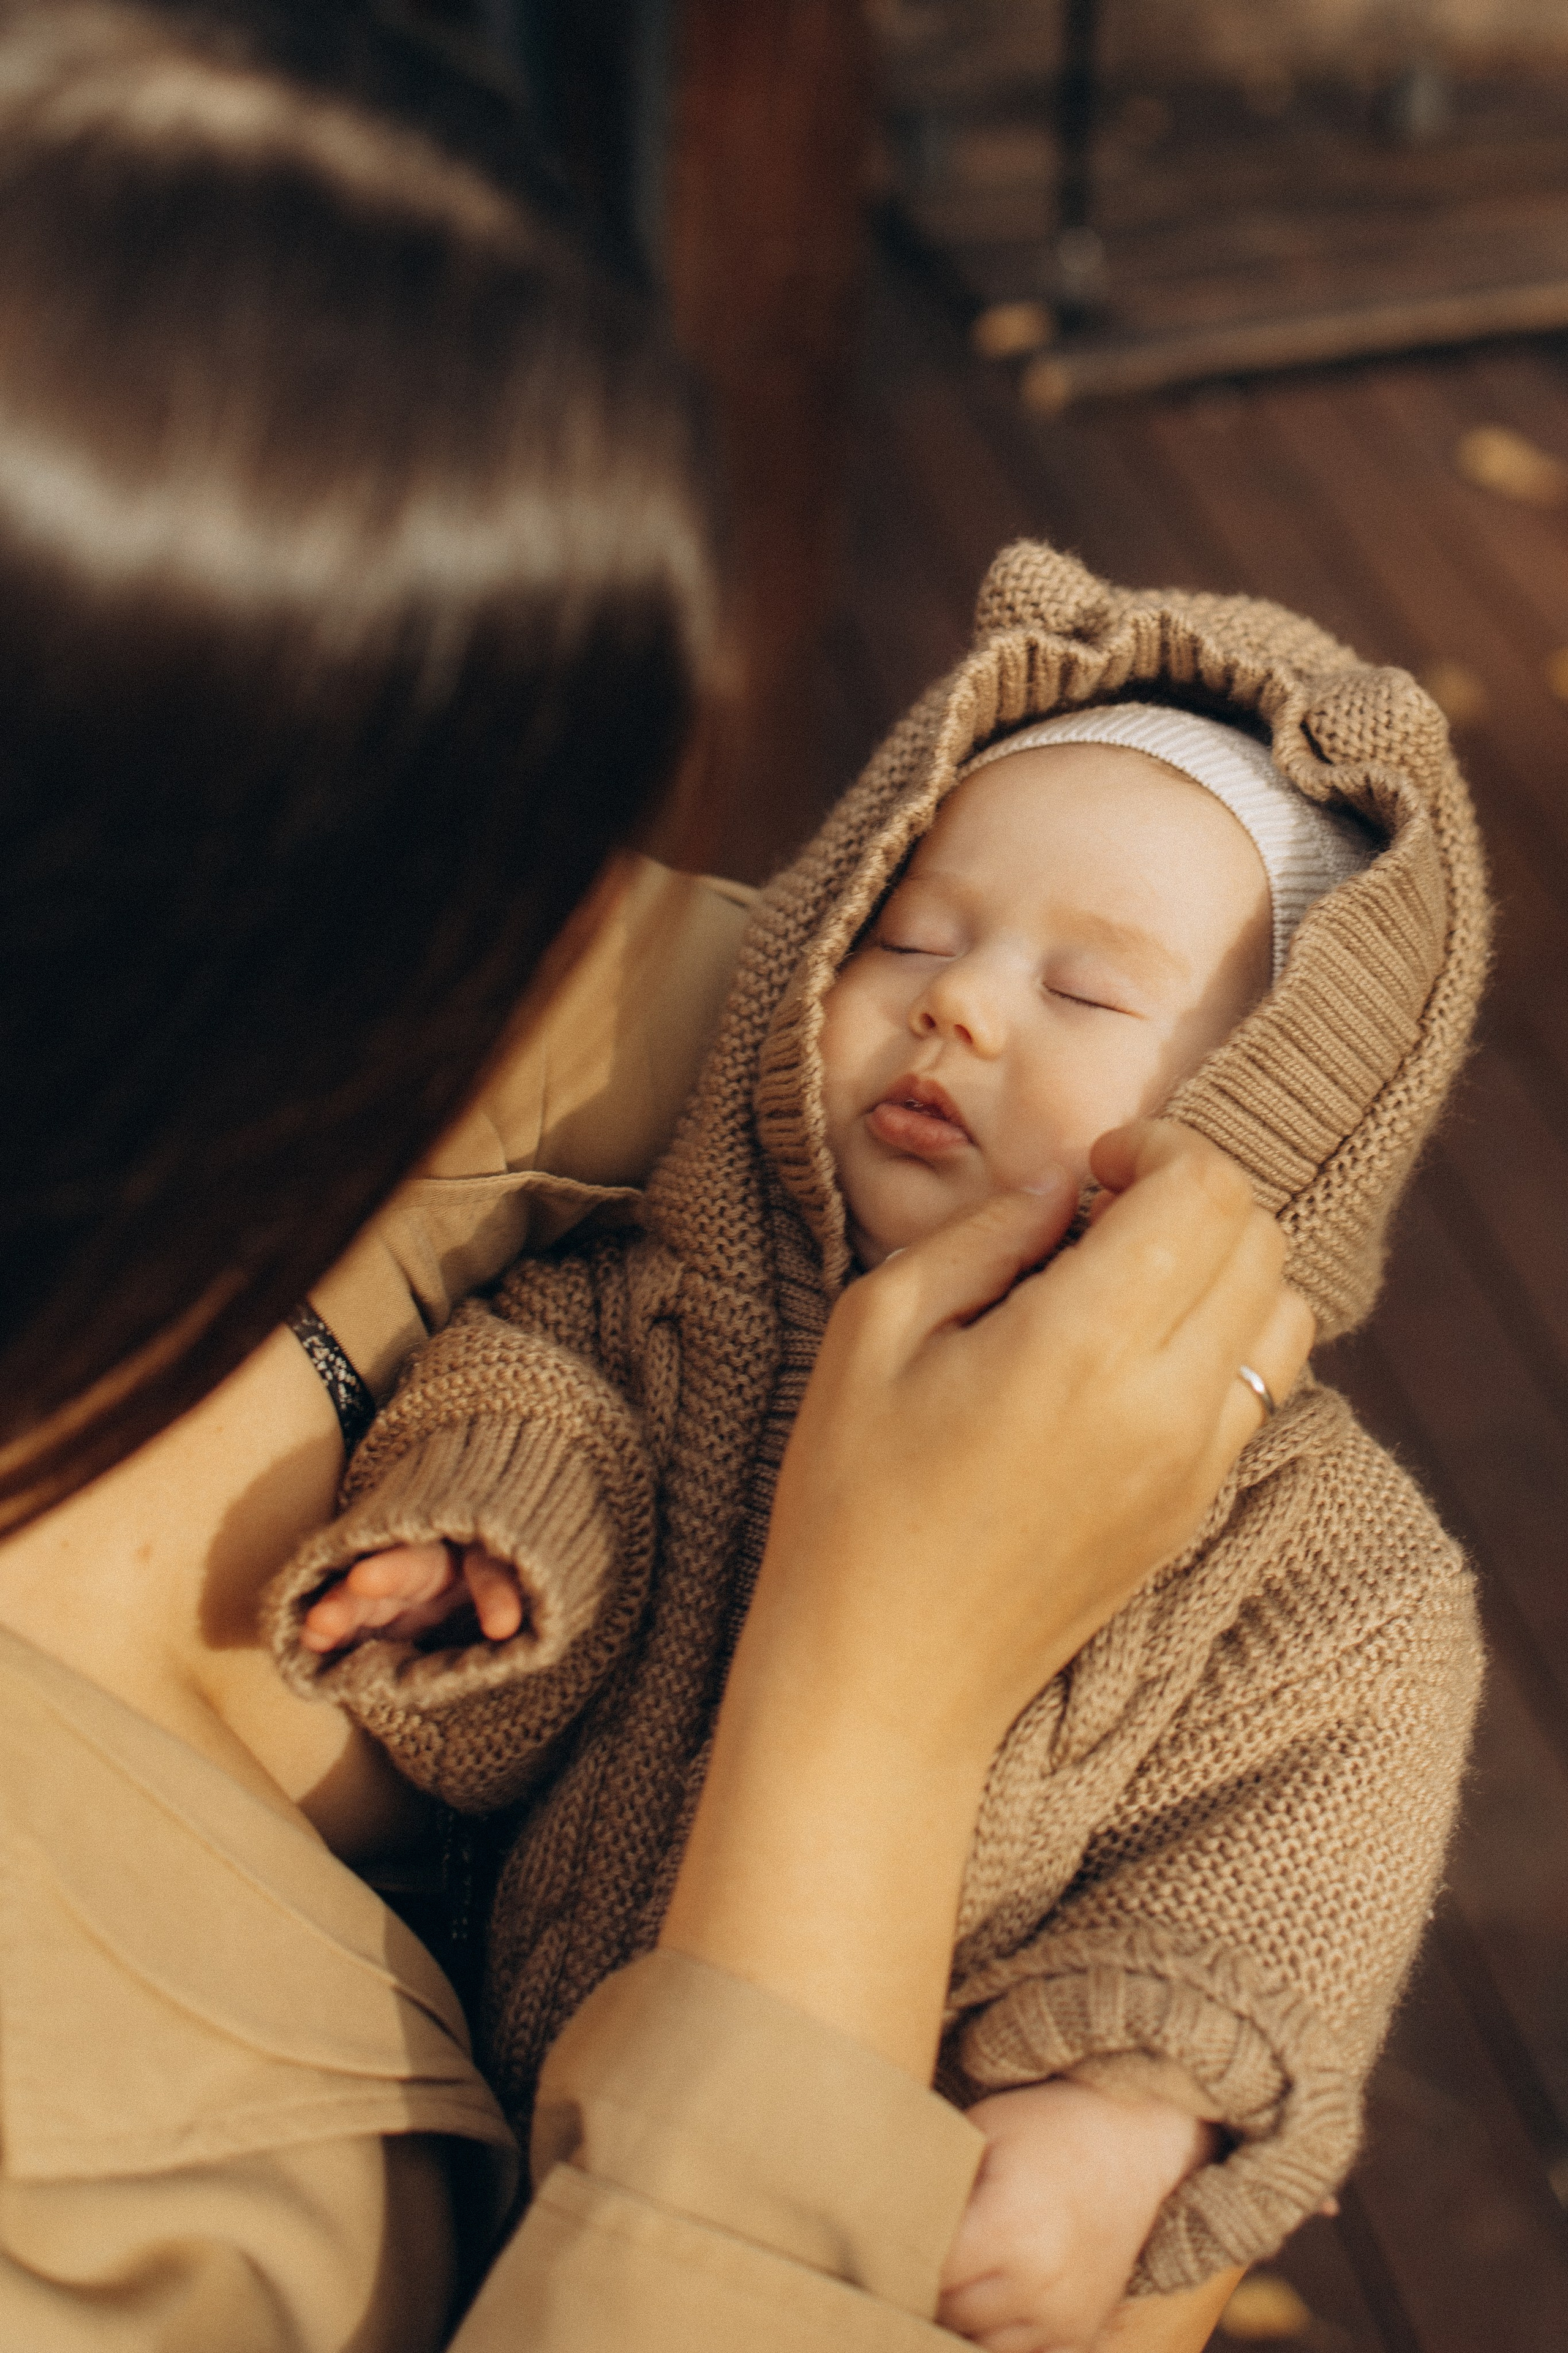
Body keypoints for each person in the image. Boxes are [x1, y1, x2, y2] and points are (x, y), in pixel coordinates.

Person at [0, 6, 1310, 2349]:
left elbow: (740, 1004)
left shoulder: (307, 1003)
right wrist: (881, 1697)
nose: (574, 925)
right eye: (483, 850)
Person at [271, 542, 1488, 2352]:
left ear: (1271, 1124)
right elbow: (543, 1392)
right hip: (478, 2139)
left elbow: (1291, 1883)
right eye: (909, 933)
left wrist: (1124, 2116)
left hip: (864, 2226)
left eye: (1089, 996)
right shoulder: (682, 1300)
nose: (958, 1003)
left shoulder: (1337, 1570)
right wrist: (498, 1546)